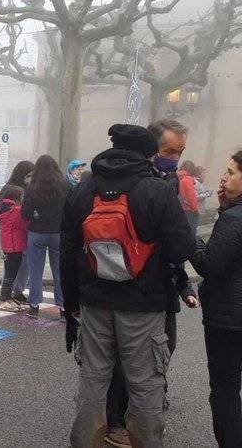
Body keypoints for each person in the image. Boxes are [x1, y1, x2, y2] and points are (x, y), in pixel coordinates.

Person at [62, 124, 195, 448]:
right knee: (145, 385)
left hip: (94, 304)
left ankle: (85, 442)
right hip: (143, 305)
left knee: (93, 382)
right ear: (149, 153)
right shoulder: (157, 189)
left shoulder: (84, 188)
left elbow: (66, 250)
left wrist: (71, 304)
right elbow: (181, 249)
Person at [103, 119, 198, 446]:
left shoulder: (168, 181)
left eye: (180, 152)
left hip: (161, 284)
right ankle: (116, 420)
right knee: (125, 358)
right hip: (127, 285)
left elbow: (174, 243)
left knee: (164, 347)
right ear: (150, 148)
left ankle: (145, 405)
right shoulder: (125, 182)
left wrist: (183, 284)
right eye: (169, 150)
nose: (174, 157)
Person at [192, 151, 242, 446]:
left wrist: (195, 241)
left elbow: (209, 264)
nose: (224, 177)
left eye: (232, 172)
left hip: (229, 318)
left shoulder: (235, 219)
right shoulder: (233, 214)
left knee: (224, 387)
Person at [22, 155, 69, 318]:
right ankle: (63, 307)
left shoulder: (32, 187)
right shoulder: (65, 186)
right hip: (58, 233)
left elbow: (25, 213)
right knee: (59, 271)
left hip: (37, 232)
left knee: (36, 270)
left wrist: (36, 215)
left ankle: (34, 305)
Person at [4, 160, 35, 305]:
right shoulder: (12, 189)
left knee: (25, 263)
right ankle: (9, 292)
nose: (30, 178)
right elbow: (10, 215)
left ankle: (18, 291)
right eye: (28, 175)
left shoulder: (29, 188)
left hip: (24, 231)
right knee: (14, 265)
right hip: (15, 233)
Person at [0, 184, 29, 312]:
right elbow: (24, 224)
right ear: (15, 197)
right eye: (21, 196)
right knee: (11, 273)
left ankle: (8, 298)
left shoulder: (5, 208)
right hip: (14, 245)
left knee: (11, 272)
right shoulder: (15, 210)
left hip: (9, 245)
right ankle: (3, 299)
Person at [178, 160, 202, 238]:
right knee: (191, 230)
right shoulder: (187, 178)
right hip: (189, 209)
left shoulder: (178, 176)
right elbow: (191, 195)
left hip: (180, 207)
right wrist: (195, 209)